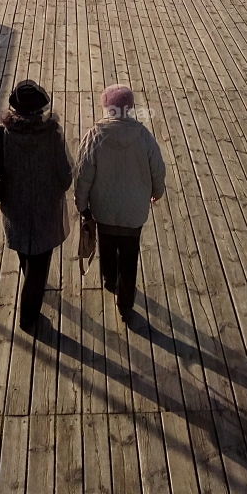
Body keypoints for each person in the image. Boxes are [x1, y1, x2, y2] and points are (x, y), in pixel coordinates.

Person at [0, 80, 72, 333]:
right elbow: (65, 174)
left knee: (26, 255)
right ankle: (28, 317)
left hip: (16, 209)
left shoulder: (2, 133)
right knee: (40, 262)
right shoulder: (53, 134)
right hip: (46, 210)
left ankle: (31, 287)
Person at [74, 84, 166, 318]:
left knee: (106, 245)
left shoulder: (94, 135)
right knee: (129, 254)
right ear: (131, 108)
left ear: (106, 107)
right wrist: (158, 191)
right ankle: (125, 303)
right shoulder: (143, 135)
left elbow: (83, 175)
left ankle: (109, 279)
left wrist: (82, 205)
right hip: (133, 212)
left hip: (103, 209)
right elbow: (158, 169)